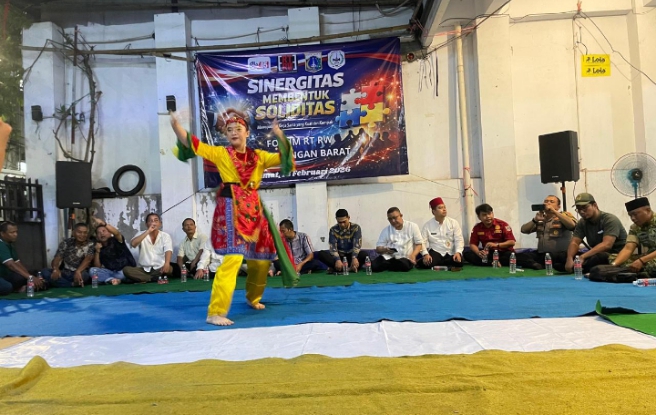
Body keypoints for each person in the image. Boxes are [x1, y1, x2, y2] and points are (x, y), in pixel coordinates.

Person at [170, 110, 296, 326]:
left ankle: (252, 297)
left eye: (238, 129)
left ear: (247, 133)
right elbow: (193, 144)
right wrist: (175, 125)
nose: (234, 132)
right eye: (229, 130)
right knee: (233, 259)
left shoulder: (259, 156)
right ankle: (215, 312)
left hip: (254, 210)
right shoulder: (221, 153)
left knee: (261, 260)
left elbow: (285, 158)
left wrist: (279, 134)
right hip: (231, 209)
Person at [563, 193, 627, 273]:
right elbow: (575, 242)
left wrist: (583, 257)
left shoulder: (610, 219)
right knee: (562, 256)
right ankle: (579, 266)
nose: (581, 212)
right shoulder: (582, 222)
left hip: (614, 255)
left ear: (595, 205)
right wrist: (569, 258)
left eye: (585, 208)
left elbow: (607, 245)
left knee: (599, 257)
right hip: (594, 254)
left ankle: (579, 267)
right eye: (578, 209)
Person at [464, 203, 540, 268]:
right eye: (484, 215)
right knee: (468, 255)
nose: (488, 216)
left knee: (519, 257)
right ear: (479, 217)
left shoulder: (502, 224)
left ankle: (534, 264)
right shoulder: (477, 228)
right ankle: (492, 263)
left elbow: (512, 242)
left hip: (504, 252)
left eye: (490, 213)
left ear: (493, 213)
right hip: (489, 254)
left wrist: (496, 245)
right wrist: (478, 253)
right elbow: (473, 244)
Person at [520, 195, 576, 270]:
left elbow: (572, 226)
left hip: (560, 254)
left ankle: (539, 264)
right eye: (546, 201)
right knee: (517, 256)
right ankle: (535, 264)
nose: (548, 203)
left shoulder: (564, 215)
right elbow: (523, 230)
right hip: (542, 254)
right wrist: (535, 220)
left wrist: (555, 212)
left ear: (558, 207)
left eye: (552, 202)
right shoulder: (541, 218)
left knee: (556, 258)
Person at [603, 197, 655, 275]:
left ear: (647, 210)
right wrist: (613, 267)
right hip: (648, 257)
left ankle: (633, 273)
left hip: (649, 259)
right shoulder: (635, 227)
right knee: (613, 258)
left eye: (635, 214)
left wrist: (642, 260)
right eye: (630, 215)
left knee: (652, 266)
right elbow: (628, 249)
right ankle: (637, 273)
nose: (633, 218)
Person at [122, 213, 174, 283]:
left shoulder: (165, 236)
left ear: (160, 224)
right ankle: (152, 278)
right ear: (146, 224)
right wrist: (148, 231)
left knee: (170, 268)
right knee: (126, 270)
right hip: (144, 269)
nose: (153, 223)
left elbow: (168, 250)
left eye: (156, 220)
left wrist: (167, 263)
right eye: (150, 221)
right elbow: (133, 244)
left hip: (159, 268)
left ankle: (145, 279)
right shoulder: (141, 234)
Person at [417, 197, 464, 270]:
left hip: (450, 252)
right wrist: (425, 254)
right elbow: (422, 242)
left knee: (459, 262)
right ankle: (422, 261)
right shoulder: (427, 225)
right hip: (436, 252)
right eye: (440, 208)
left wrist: (458, 252)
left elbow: (459, 239)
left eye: (444, 207)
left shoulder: (453, 223)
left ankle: (441, 263)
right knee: (428, 263)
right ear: (433, 212)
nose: (444, 209)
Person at [41, 223, 95, 287]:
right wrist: (55, 269)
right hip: (65, 272)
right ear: (73, 232)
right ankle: (71, 284)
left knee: (85, 276)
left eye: (85, 233)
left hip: (80, 272)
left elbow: (88, 260)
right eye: (79, 232)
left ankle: (60, 283)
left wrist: (78, 271)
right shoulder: (66, 242)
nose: (82, 235)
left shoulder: (90, 244)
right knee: (44, 271)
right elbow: (57, 257)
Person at [0, 221, 46, 295]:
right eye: (12, 232)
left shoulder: (10, 244)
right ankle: (18, 289)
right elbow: (11, 265)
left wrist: (30, 278)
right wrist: (31, 278)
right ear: (2, 233)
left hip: (4, 277)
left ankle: (21, 288)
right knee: (6, 287)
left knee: (24, 277)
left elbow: (17, 263)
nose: (15, 234)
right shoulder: (1, 245)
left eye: (16, 232)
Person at [373, 207, 423, 272]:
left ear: (401, 215)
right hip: (390, 257)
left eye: (395, 218)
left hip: (405, 258)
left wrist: (413, 255)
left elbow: (419, 244)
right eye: (390, 219)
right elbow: (378, 248)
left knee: (404, 265)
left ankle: (389, 266)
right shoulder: (386, 230)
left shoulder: (412, 226)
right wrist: (385, 249)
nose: (393, 221)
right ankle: (391, 266)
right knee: (374, 266)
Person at [316, 209, 368, 273]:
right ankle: (349, 269)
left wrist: (354, 257)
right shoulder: (333, 230)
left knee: (364, 254)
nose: (342, 224)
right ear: (336, 219)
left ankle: (340, 269)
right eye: (340, 222)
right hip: (340, 257)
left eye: (344, 222)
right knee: (321, 254)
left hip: (351, 256)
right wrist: (337, 260)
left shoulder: (356, 228)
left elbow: (357, 245)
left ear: (348, 218)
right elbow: (333, 248)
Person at [89, 216, 136, 285]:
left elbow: (117, 233)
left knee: (125, 274)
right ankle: (112, 280)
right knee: (92, 271)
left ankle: (110, 280)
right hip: (111, 272)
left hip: (124, 271)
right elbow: (97, 267)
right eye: (99, 233)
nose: (102, 234)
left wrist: (103, 223)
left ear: (110, 233)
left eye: (104, 231)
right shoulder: (98, 246)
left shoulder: (117, 240)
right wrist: (97, 251)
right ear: (97, 237)